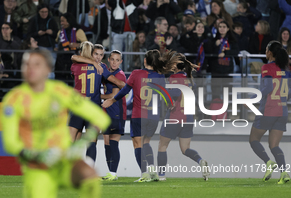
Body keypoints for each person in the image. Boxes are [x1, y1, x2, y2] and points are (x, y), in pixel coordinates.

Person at [0, 48, 110, 198]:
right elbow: (10, 142)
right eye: (26, 64)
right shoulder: (13, 100)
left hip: (63, 163)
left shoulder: (59, 91)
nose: (30, 68)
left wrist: (81, 143)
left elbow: (100, 117)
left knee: (89, 175)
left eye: (36, 64)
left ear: (47, 70)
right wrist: (37, 154)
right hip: (37, 170)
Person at [102, 50, 180, 182]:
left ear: (145, 61)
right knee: (146, 143)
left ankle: (144, 174)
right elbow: (165, 94)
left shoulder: (136, 74)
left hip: (139, 115)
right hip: (154, 117)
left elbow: (125, 91)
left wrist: (112, 100)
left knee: (137, 144)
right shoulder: (160, 77)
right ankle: (151, 170)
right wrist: (170, 104)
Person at [69, 42, 126, 165]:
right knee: (91, 142)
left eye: (101, 55)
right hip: (93, 109)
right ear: (91, 53)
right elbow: (116, 82)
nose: (99, 57)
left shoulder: (75, 66)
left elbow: (74, 57)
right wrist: (128, 86)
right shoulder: (102, 67)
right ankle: (88, 172)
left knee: (70, 140)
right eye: (96, 54)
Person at [157, 53, 210, 181]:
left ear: (175, 64)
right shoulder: (190, 79)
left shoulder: (174, 78)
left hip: (174, 116)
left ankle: (161, 176)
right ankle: (200, 161)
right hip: (188, 118)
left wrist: (167, 98)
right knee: (185, 149)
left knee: (162, 146)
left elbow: (174, 92)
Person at [249, 41, 291, 184]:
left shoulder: (267, 67)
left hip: (268, 110)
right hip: (283, 111)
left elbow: (267, 88)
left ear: (270, 53)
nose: (265, 52)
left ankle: (268, 162)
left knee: (254, 139)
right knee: (274, 145)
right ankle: (284, 173)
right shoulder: (286, 69)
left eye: (266, 49)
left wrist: (254, 97)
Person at [101, 50, 127, 181]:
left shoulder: (120, 75)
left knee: (113, 142)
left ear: (121, 62)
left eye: (117, 60)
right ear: (109, 60)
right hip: (106, 112)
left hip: (117, 112)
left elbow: (113, 96)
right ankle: (110, 172)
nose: (115, 62)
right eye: (112, 59)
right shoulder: (108, 72)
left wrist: (97, 96)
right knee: (106, 141)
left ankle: (113, 172)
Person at [205, 20, 239, 99]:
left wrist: (225, 53)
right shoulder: (214, 40)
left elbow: (236, 51)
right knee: (215, 91)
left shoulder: (232, 40)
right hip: (216, 68)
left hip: (227, 68)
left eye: (224, 27)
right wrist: (215, 45)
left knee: (227, 91)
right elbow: (209, 52)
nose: (222, 29)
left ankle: (228, 109)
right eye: (220, 27)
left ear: (227, 29)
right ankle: (215, 108)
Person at [54, 12, 87, 81]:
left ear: (69, 21)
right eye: (60, 21)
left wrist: (78, 45)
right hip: (60, 61)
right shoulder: (60, 32)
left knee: (72, 83)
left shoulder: (78, 31)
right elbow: (57, 42)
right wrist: (57, 48)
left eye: (63, 21)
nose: (61, 23)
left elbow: (87, 44)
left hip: (73, 61)